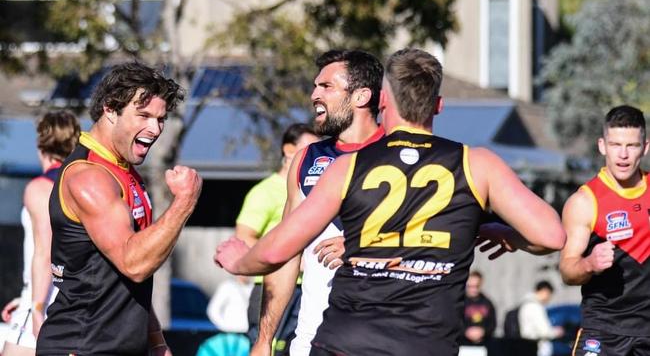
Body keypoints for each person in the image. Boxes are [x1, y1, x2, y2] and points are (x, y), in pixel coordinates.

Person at [215, 48, 565, 355]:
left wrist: (240, 261)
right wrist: (497, 231)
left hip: (346, 339)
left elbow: (279, 248)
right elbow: (552, 236)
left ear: (380, 99)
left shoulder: (348, 167)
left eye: (325, 86)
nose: (314, 94)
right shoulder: (475, 164)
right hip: (424, 342)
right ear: (439, 106)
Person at [36, 62, 201, 356]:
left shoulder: (124, 172)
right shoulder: (89, 177)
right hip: (82, 347)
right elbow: (134, 264)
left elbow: (132, 282)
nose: (155, 128)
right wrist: (184, 202)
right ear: (110, 110)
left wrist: (157, 342)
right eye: (144, 115)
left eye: (161, 119)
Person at [251, 49, 384, 356]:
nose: (314, 95)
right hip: (312, 339)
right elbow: (286, 253)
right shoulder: (306, 159)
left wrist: (363, 244)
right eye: (315, 86)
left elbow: (433, 239)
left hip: (380, 338)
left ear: (362, 96)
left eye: (326, 87)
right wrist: (264, 338)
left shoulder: (399, 156)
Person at [559, 105, 650, 355]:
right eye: (615, 145)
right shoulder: (585, 202)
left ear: (645, 147)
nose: (623, 155)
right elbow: (567, 270)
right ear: (602, 146)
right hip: (604, 330)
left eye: (631, 146)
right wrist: (589, 263)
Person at [1, 111, 80, 356]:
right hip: (76, 300)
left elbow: (45, 252)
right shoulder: (84, 185)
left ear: (40, 144)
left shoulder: (41, 188)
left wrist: (36, 305)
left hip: (46, 299)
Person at [234, 123, 318, 351]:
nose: (316, 154)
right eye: (310, 147)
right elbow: (243, 238)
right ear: (289, 150)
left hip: (308, 289)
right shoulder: (265, 191)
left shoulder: (315, 189)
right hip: (271, 290)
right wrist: (286, 258)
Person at [518, 280, 563, 356]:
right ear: (545, 291)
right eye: (549, 294)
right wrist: (557, 332)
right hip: (538, 348)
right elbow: (544, 332)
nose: (549, 298)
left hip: (527, 346)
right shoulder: (535, 307)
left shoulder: (525, 304)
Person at [461, 271, 496, 347]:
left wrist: (483, 332)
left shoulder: (488, 303)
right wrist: (465, 332)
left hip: (483, 344)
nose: (473, 289)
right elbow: (454, 322)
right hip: (462, 343)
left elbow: (492, 324)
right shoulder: (460, 302)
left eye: (476, 286)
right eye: (470, 286)